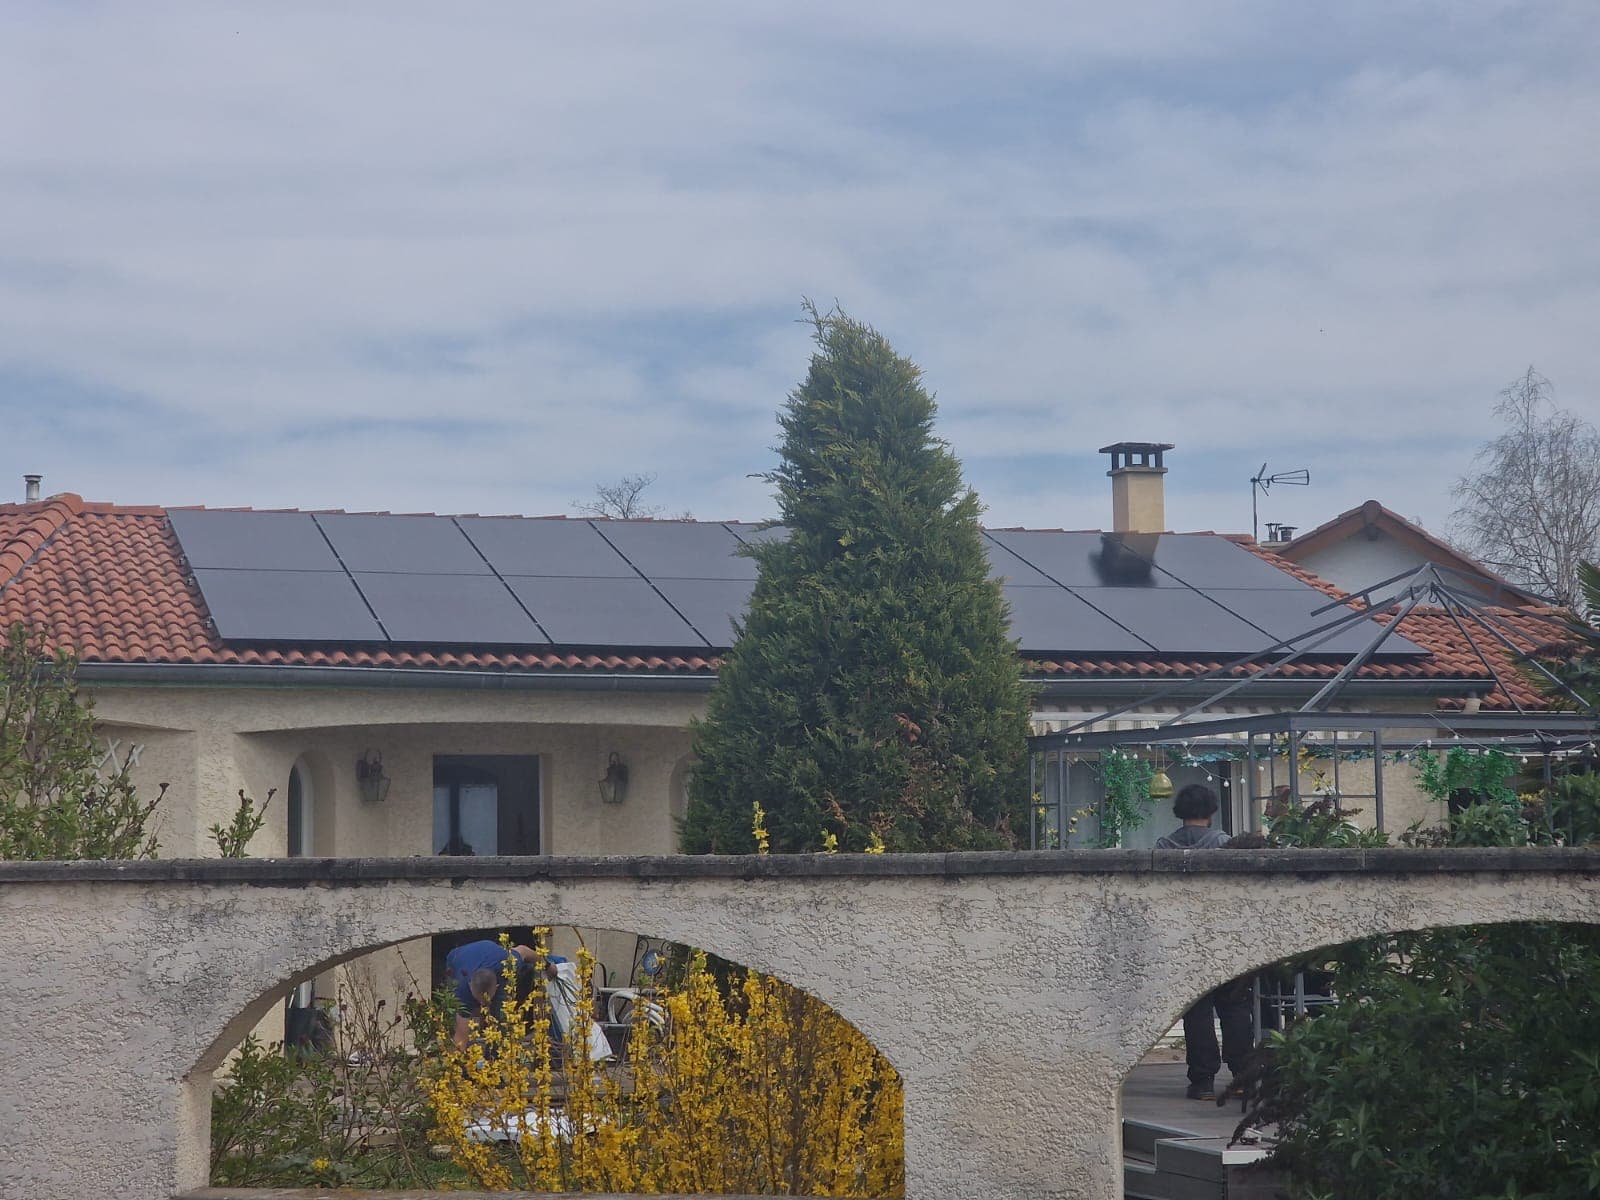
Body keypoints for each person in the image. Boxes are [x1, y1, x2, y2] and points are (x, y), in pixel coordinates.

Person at [1155, 784, 1250, 1099]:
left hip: (1184, 937)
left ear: (1180, 812)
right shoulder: (1224, 844)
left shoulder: (1164, 846)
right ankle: (1242, 1075)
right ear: (1212, 811)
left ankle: (1202, 1080)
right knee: (1234, 1007)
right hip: (1224, 935)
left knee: (1197, 1010)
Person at [443, 939, 540, 1049]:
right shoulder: (462, 988)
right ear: (470, 986)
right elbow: (461, 1038)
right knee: (458, 1021)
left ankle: (495, 1051)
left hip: (492, 954)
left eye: (486, 1000)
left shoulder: (508, 962)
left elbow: (524, 950)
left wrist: (548, 966)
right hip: (457, 957)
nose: (482, 1005)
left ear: (497, 987)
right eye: (479, 1000)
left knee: (500, 1016)